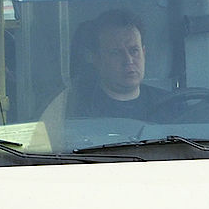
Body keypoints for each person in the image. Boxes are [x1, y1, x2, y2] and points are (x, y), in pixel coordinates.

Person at [37, 9, 164, 146]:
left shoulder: (170, 104)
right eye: (116, 52)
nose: (129, 60)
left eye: (134, 50)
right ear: (95, 58)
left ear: (144, 52)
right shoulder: (70, 108)